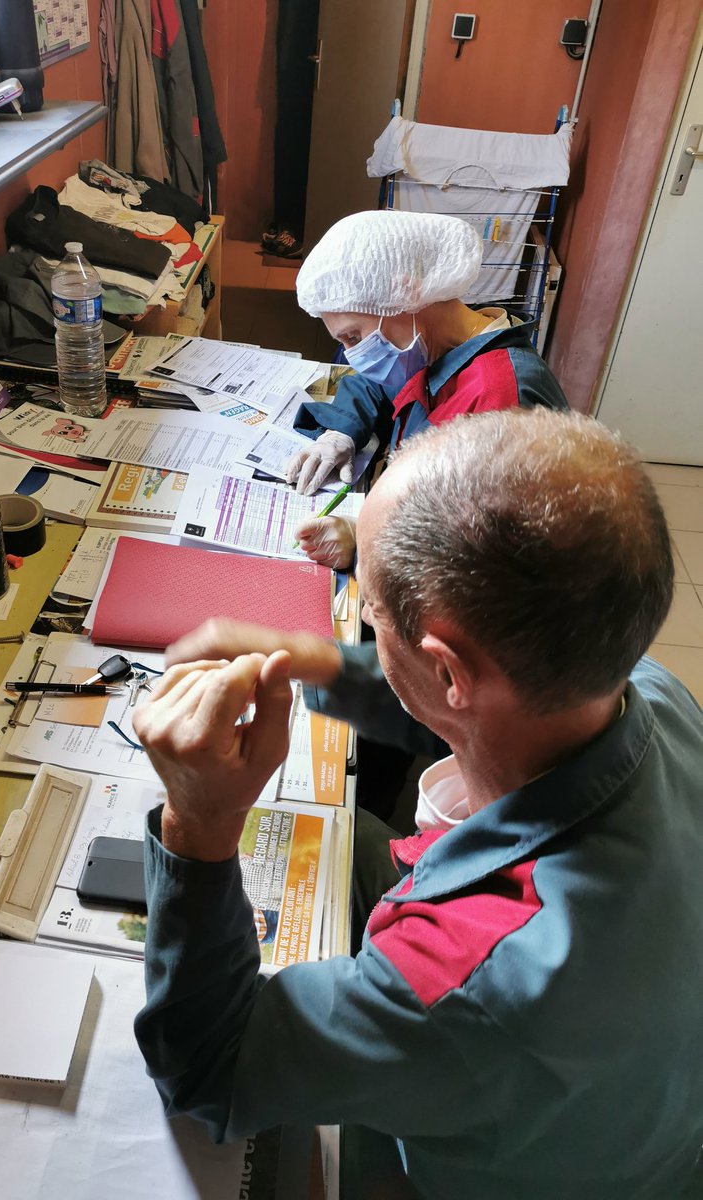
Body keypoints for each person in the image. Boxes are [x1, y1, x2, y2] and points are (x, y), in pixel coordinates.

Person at [132, 408, 703, 1200]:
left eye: (368, 608)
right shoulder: (650, 690)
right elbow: (479, 694)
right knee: (353, 838)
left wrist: (199, 823)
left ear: (447, 671)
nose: (365, 619)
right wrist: (325, 666)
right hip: (645, 1116)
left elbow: (209, 1070)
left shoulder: (466, 984)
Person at [287, 209, 569, 570]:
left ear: (407, 292)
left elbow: (488, 557)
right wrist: (341, 430)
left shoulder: (502, 399)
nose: (355, 356)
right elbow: (376, 385)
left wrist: (366, 540)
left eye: (354, 337)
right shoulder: (436, 344)